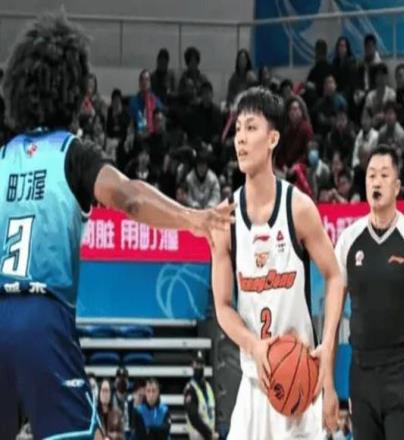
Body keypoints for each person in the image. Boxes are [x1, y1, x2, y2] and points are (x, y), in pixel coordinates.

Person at [0, 14, 234, 440]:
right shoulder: (72, 154)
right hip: (42, 318)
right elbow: (131, 198)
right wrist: (193, 218)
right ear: (71, 92)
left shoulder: (3, 158)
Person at [210, 87, 345, 439]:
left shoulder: (298, 208)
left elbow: (335, 276)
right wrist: (254, 345)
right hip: (254, 384)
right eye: (238, 129)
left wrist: (327, 347)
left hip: (300, 385)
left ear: (272, 139)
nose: (241, 138)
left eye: (251, 128)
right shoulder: (225, 219)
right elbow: (222, 306)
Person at [332, 145, 404, 439]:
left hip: (399, 372)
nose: (376, 181)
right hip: (360, 376)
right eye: (371, 175)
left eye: (384, 175)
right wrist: (326, 385)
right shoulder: (347, 241)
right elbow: (331, 324)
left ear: (397, 187)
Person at [184, 351, 218, 440]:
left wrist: (214, 432)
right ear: (192, 365)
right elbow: (193, 417)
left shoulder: (208, 386)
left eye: (201, 364)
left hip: (210, 436)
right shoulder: (190, 389)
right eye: (197, 364)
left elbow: (214, 411)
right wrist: (209, 433)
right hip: (199, 436)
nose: (199, 367)